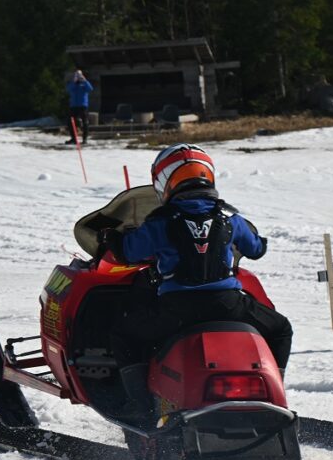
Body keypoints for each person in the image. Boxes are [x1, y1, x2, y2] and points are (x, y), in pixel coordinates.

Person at [99, 143, 293, 420]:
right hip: (228, 306)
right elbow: (256, 249)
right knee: (281, 328)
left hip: (177, 310)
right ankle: (275, 394)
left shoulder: (160, 221)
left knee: (124, 334)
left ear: (165, 181)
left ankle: (140, 406)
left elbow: (129, 252)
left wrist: (112, 238)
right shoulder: (229, 217)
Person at [65, 70, 93, 145]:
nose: (78, 77)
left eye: (79, 75)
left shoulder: (84, 83)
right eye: (76, 75)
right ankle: (73, 138)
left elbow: (90, 89)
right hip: (73, 105)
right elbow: (68, 89)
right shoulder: (72, 83)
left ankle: (85, 139)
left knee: (85, 122)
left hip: (83, 105)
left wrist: (84, 81)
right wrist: (74, 81)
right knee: (70, 122)